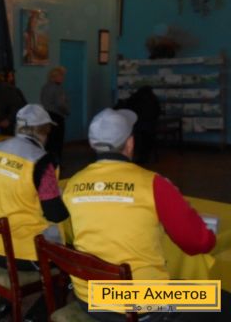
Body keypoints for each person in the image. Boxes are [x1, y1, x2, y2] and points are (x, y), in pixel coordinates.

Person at [63, 108, 217, 321]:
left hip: (88, 297)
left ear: (92, 144)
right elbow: (199, 243)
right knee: (217, 299)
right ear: (130, 143)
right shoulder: (153, 184)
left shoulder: (72, 184)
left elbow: (71, 236)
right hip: (140, 300)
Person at [0, 104, 68, 322]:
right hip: (20, 254)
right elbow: (55, 213)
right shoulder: (41, 161)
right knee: (70, 263)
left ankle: (4, 304)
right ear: (43, 131)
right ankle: (35, 317)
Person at [40, 66, 69, 162]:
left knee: (49, 141)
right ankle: (56, 163)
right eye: (61, 75)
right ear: (55, 76)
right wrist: (67, 111)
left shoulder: (45, 87)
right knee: (57, 142)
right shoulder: (57, 88)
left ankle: (47, 163)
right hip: (57, 116)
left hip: (46, 116)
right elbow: (60, 104)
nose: (63, 78)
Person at [126, 85, 161, 164]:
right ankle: (145, 159)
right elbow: (157, 111)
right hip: (150, 126)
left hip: (138, 126)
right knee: (147, 144)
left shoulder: (136, 98)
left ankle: (138, 159)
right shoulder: (153, 99)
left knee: (139, 143)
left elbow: (129, 108)